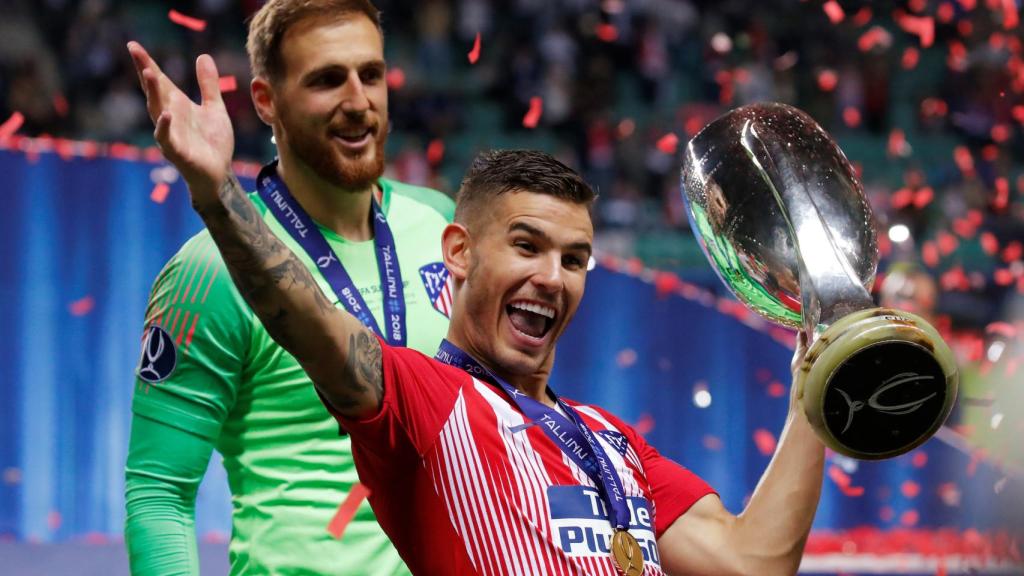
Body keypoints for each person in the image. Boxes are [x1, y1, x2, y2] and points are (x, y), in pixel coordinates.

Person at [132, 24, 827, 575]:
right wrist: (218, 195)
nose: (553, 277)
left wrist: (813, 391)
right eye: (526, 247)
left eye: (574, 259)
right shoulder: (425, 404)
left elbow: (750, 562)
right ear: (457, 253)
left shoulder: (610, 443)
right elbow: (305, 317)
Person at [123, 1, 454, 574]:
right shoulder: (209, 270)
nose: (358, 101)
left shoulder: (443, 225)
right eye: (328, 80)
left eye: (370, 74)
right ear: (265, 101)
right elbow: (159, 496)